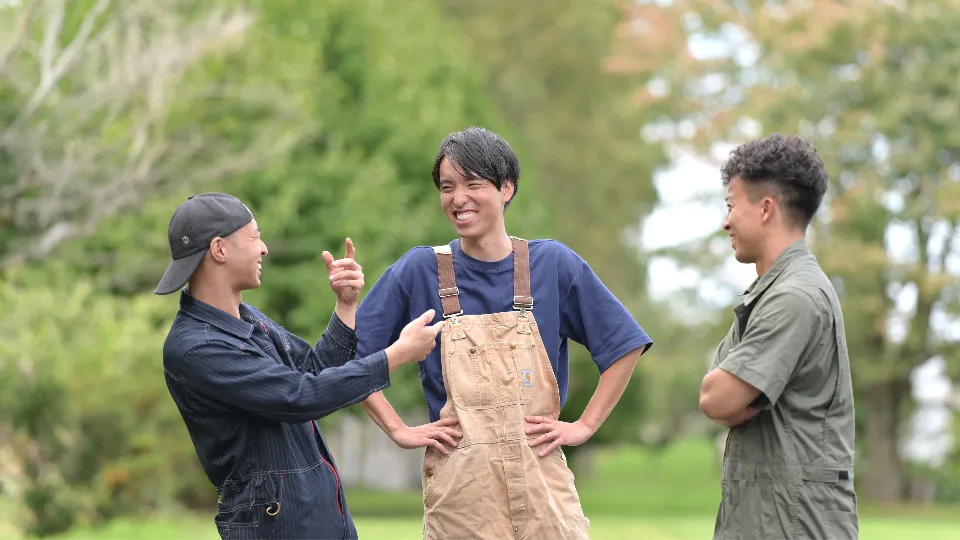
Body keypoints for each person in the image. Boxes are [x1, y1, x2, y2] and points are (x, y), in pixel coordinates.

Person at [352, 127, 654, 539]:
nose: (458, 199)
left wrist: (584, 426)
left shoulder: (553, 264)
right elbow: (351, 355)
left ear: (506, 188)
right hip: (461, 494)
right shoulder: (418, 270)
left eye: (473, 183)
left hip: (544, 487)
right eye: (447, 187)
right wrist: (398, 430)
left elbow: (624, 345)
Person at [156, 192, 444, 540]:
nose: (263, 249)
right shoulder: (195, 347)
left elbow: (313, 369)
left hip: (317, 515)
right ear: (220, 249)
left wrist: (345, 305)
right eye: (255, 237)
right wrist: (396, 355)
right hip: (276, 527)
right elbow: (300, 396)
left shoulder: (247, 318)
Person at [698, 134, 859, 539]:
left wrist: (734, 396)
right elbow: (718, 395)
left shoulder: (794, 297)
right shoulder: (770, 292)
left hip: (793, 526)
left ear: (766, 209)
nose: (725, 221)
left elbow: (716, 397)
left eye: (731, 205)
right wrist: (733, 396)